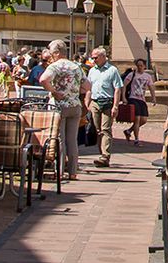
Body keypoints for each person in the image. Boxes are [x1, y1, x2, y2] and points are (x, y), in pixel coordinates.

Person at [39, 43, 88, 180]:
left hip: (59, 106)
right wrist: (74, 91)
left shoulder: (55, 66)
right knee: (72, 140)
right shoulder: (76, 66)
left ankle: (60, 171)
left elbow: (43, 79)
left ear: (56, 52)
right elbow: (87, 86)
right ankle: (72, 172)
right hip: (75, 105)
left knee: (60, 139)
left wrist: (54, 91)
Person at [86, 50, 122, 167]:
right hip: (95, 102)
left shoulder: (112, 70)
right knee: (97, 130)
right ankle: (102, 154)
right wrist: (87, 102)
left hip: (108, 102)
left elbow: (117, 89)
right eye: (92, 58)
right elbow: (89, 88)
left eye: (95, 57)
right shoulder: (92, 71)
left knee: (105, 129)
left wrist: (115, 106)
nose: (93, 60)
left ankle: (105, 156)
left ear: (103, 56)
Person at [124, 58, 155, 143]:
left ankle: (129, 131)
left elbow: (151, 87)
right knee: (137, 119)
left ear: (144, 66)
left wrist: (153, 98)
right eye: (138, 66)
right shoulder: (132, 74)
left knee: (144, 120)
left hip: (142, 99)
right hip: (133, 98)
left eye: (141, 65)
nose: (139, 67)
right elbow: (124, 85)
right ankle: (136, 139)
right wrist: (124, 97)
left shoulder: (147, 76)